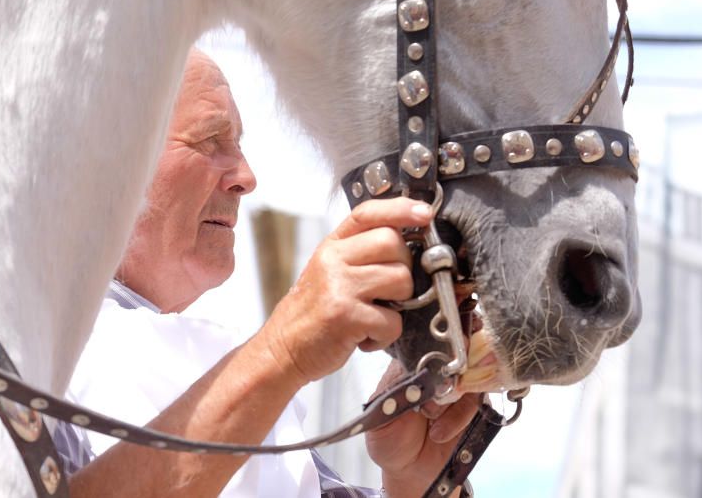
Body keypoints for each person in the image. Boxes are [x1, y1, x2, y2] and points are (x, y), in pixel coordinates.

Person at [62, 50, 479, 497]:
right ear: (102, 166)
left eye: (238, 144)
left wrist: (416, 482)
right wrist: (285, 350)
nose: (246, 176)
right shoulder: (17, 362)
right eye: (209, 141)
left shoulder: (238, 393)